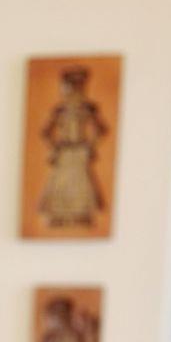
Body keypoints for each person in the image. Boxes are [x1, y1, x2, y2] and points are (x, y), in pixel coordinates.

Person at [38, 65, 108, 227]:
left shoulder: (89, 108)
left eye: (78, 86)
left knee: (81, 182)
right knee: (61, 181)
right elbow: (46, 132)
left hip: (80, 150)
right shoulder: (60, 109)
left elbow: (101, 129)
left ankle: (80, 215)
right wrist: (54, 147)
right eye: (70, 87)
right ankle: (59, 216)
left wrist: (91, 145)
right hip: (64, 150)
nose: (74, 91)